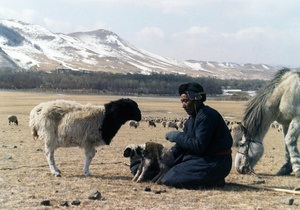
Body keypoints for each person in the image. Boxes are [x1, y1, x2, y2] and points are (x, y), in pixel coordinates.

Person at [160, 82, 233, 189]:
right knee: (161, 168)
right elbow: (183, 145)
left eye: (186, 101)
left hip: (216, 161)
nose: (183, 105)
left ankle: (214, 180)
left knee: (171, 177)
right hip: (202, 159)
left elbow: (199, 146)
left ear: (196, 99)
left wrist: (178, 136)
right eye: (182, 101)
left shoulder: (207, 116)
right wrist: (167, 155)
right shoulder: (191, 119)